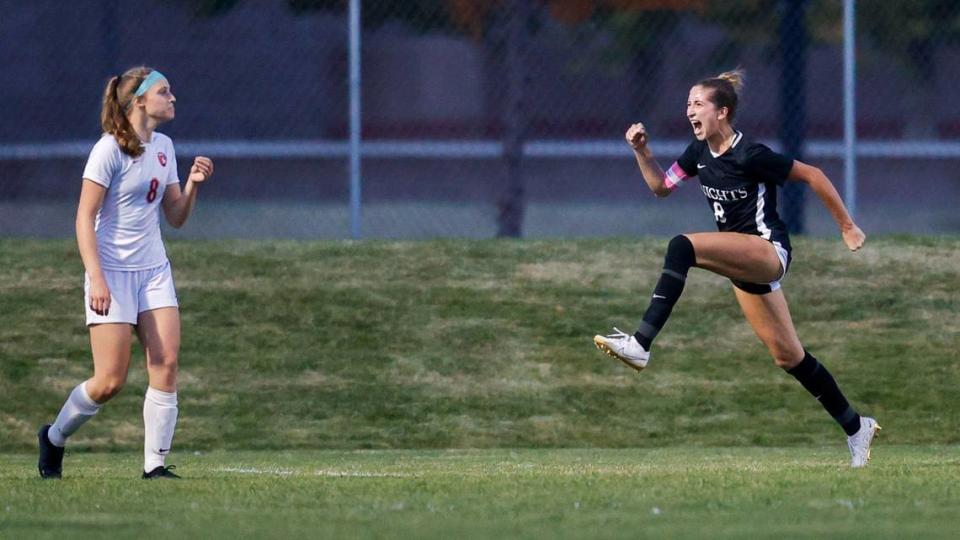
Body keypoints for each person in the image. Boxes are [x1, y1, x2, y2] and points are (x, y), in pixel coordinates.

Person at [593, 69, 880, 468]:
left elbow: (813, 176)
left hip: (767, 252)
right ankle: (857, 427)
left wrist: (847, 226)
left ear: (722, 112)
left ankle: (640, 344)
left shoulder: (750, 154)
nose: (689, 110)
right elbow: (661, 188)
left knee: (682, 247)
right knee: (788, 357)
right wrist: (642, 151)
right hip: (741, 264)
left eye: (698, 104)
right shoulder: (698, 154)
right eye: (688, 103)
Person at [37, 67, 213, 479]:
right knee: (109, 380)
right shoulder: (109, 150)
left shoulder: (165, 146)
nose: (173, 98)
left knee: (166, 363)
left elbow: (175, 216)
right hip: (111, 272)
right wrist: (95, 277)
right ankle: (54, 437)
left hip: (153, 270)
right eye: (164, 92)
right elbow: (84, 217)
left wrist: (193, 185)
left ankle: (155, 466)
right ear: (139, 102)